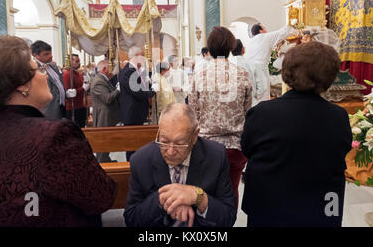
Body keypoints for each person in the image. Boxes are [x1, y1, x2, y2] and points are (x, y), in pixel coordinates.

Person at [0, 36, 117, 227]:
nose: (44, 75)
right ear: (22, 85)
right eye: (38, 69)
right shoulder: (52, 136)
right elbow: (100, 196)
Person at [241, 41, 352, 227]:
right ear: (330, 76)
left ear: (287, 71)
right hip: (322, 208)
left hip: (268, 206)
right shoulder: (338, 117)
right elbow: (341, 152)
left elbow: (247, 149)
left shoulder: (262, 112)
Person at [124, 103, 236, 227]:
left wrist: (198, 196)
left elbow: (229, 217)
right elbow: (131, 219)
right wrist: (164, 199)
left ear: (194, 136)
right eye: (164, 141)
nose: (170, 151)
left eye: (179, 143)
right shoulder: (141, 160)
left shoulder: (215, 156)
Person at [189, 27, 252, 207]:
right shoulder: (242, 75)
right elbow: (248, 112)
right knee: (230, 194)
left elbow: (193, 113)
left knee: (205, 196)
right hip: (235, 147)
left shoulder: (199, 75)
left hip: (206, 146)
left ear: (210, 48)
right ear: (231, 47)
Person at [119, 46, 155, 161]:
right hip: (132, 112)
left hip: (137, 111)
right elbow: (137, 92)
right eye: (142, 55)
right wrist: (152, 92)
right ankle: (130, 164)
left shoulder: (135, 70)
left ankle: (137, 161)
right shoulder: (128, 71)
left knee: (137, 141)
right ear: (136, 56)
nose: (144, 58)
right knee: (131, 142)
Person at [246, 23, 296, 106]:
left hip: (250, 71)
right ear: (261, 31)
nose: (266, 30)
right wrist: (292, 25)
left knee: (253, 97)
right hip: (260, 71)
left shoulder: (250, 42)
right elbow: (282, 33)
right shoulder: (265, 37)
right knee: (262, 98)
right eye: (264, 28)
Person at [91, 60, 122, 163]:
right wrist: (118, 90)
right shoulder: (98, 81)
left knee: (107, 140)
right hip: (103, 116)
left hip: (107, 115)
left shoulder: (103, 79)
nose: (111, 70)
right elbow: (107, 98)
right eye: (109, 68)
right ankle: (102, 163)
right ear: (104, 69)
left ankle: (105, 159)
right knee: (102, 140)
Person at [31, 40, 66, 119]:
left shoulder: (53, 66)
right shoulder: (34, 69)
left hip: (61, 106)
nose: (51, 56)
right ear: (36, 55)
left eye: (50, 53)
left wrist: (65, 93)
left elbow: (59, 83)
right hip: (49, 109)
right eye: (46, 54)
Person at [63, 54, 89, 128]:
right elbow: (69, 93)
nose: (79, 63)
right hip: (72, 108)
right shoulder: (67, 74)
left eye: (79, 61)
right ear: (70, 62)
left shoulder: (78, 73)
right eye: (77, 61)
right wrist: (83, 88)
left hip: (80, 106)